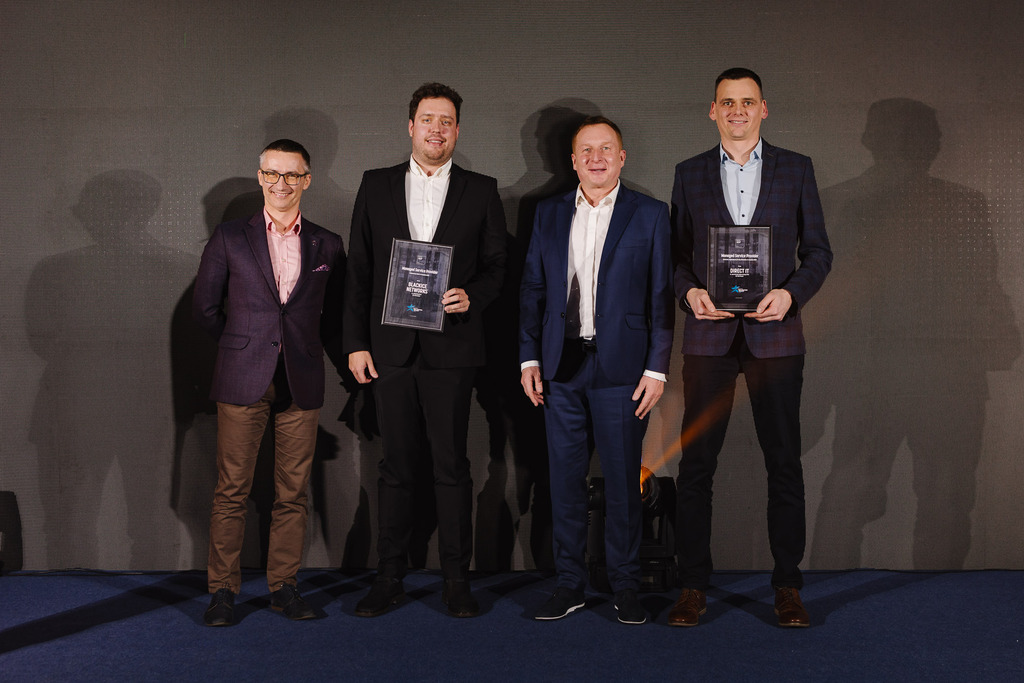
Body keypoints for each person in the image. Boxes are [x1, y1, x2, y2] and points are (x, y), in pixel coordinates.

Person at [669, 68, 832, 627]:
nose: (737, 110)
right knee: (696, 467)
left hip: (776, 337)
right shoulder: (689, 173)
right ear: (712, 111)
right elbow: (674, 257)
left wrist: (791, 294)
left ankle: (788, 586)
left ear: (764, 109)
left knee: (783, 464)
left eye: (747, 101)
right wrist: (689, 292)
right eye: (727, 102)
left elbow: (819, 252)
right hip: (709, 337)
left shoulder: (797, 168)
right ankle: (692, 587)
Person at [343, 83, 506, 618]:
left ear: (458, 130)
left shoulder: (481, 190)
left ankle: (456, 579)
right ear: (411, 126)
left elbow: (497, 266)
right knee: (394, 467)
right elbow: (359, 270)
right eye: (428, 119)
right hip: (389, 350)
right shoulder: (376, 185)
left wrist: (472, 296)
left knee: (451, 466)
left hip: (451, 350)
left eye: (447, 121)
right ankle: (388, 576)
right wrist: (355, 344)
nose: (437, 129)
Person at [519, 116, 674, 625]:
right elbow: (533, 289)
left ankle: (625, 585)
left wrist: (657, 368)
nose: (596, 158)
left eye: (606, 148)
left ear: (622, 157)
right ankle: (569, 584)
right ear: (573, 160)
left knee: (623, 482)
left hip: (623, 370)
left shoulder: (650, 214)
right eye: (586, 150)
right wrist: (529, 357)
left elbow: (661, 296)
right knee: (564, 483)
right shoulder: (547, 213)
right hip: (560, 368)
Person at [193, 139, 345, 626]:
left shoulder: (327, 243)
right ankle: (222, 590)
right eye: (273, 174)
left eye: (292, 175)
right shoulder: (229, 237)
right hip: (243, 379)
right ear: (261, 177)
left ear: (307, 180)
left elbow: (336, 316)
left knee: (293, 492)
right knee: (232, 490)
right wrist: (244, 347)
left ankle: (284, 586)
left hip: (302, 381)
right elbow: (205, 308)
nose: (282, 183)